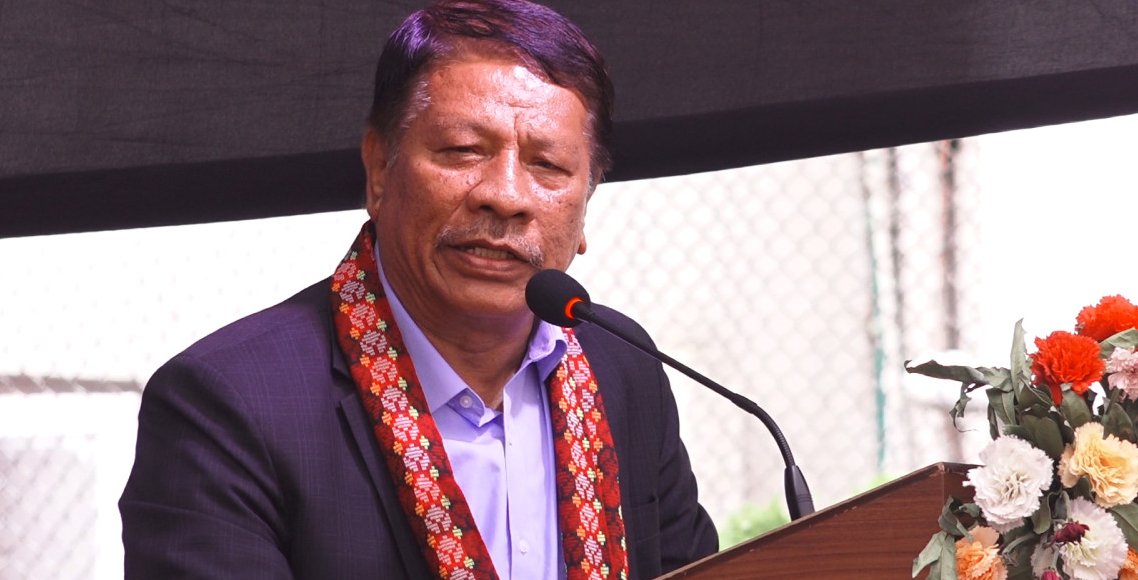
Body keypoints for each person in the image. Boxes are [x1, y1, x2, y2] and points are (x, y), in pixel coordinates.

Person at [119, 0, 718, 578]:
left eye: (548, 165)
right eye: (464, 151)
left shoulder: (623, 366)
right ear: (379, 170)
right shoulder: (228, 404)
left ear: (586, 204)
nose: (505, 196)